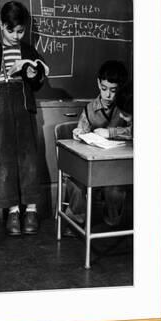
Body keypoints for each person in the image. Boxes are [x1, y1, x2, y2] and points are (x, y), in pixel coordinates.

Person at [0, 1, 49, 236]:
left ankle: (32, 211)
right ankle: (14, 212)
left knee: (29, 159)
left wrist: (33, 74)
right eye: (11, 31)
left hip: (24, 107)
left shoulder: (28, 51)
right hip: (1, 108)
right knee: (4, 160)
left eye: (21, 31)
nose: (16, 36)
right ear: (1, 25)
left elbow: (36, 84)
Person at [64, 60, 132, 231]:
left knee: (115, 189)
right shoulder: (90, 109)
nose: (108, 95)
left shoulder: (127, 106)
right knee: (74, 181)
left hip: (117, 167)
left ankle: (111, 222)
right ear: (98, 83)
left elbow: (137, 131)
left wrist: (111, 133)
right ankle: (76, 218)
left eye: (113, 90)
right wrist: (79, 134)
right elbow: (83, 132)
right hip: (94, 165)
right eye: (103, 89)